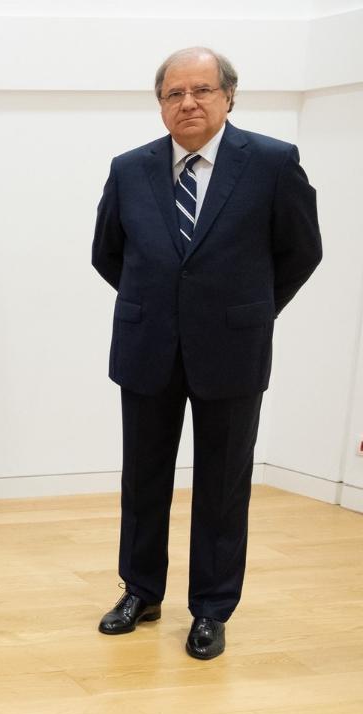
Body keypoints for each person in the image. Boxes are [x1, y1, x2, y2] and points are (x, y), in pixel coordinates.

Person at [91, 47, 321, 660]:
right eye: (174, 93)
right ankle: (140, 591)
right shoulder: (129, 168)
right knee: (143, 478)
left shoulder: (272, 162)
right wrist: (163, 305)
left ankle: (212, 609)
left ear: (228, 97)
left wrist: (252, 309)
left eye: (201, 90)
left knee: (223, 483)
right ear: (160, 104)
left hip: (233, 349)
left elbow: (302, 251)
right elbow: (107, 253)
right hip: (148, 346)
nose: (187, 103)